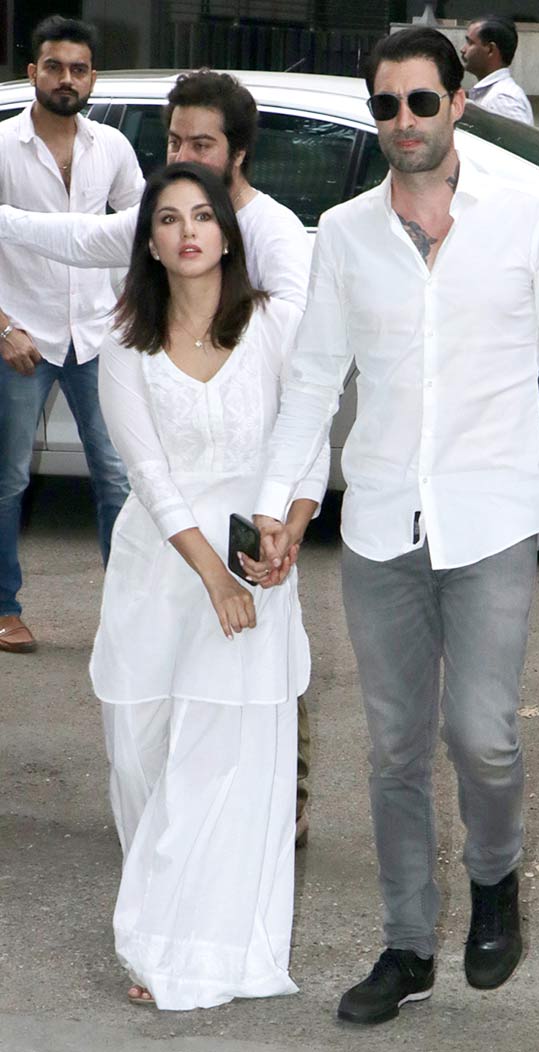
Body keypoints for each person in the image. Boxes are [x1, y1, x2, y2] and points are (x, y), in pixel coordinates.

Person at [251, 26, 539, 1026]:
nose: (402, 121)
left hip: (494, 514)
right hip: (379, 524)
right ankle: (408, 944)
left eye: (421, 101)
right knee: (392, 751)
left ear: (459, 102)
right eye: (385, 105)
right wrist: (274, 505)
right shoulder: (343, 233)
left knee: (484, 736)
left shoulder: (529, 223)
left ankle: (496, 879)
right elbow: (311, 384)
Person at [0, 69, 314, 841]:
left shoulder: (273, 237)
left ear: (239, 153)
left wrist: (287, 516)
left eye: (201, 142)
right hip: (168, 524)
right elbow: (76, 238)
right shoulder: (159, 224)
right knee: (149, 721)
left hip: (250, 509)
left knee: (239, 711)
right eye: (174, 140)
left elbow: (300, 386)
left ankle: (274, 810)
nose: (184, 153)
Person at [92, 161, 327, 1010]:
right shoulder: (125, 343)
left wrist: (289, 528)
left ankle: (187, 952)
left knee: (222, 765)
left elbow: (310, 433)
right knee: (142, 756)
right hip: (163, 566)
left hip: (257, 560)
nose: (187, 231)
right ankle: (162, 918)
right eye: (167, 219)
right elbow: (149, 477)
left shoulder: (275, 324)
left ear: (227, 232)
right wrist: (212, 577)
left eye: (202, 215)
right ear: (149, 244)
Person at [0, 15, 144, 654]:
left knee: (119, 476)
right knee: (8, 481)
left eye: (78, 69)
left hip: (97, 335)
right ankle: (3, 608)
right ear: (33, 73)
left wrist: (131, 314)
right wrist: (3, 328)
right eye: (54, 67)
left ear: (92, 78)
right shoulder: (2, 147)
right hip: (19, 336)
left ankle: (128, 612)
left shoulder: (111, 147)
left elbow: (143, 232)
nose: (66, 79)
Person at [461, 14, 534, 125]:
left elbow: (514, 142)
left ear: (490, 49)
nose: (463, 49)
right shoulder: (493, 94)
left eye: (470, 43)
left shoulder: (503, 99)